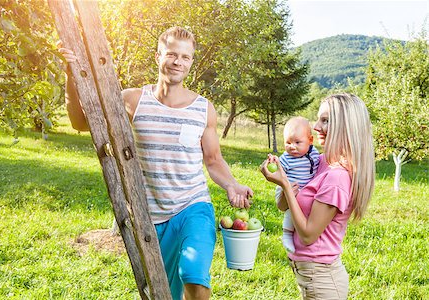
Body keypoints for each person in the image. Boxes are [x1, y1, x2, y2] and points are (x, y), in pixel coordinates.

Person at [60, 26, 253, 300]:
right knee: (165, 294)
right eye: (172, 54)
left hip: (193, 208)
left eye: (185, 57)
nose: (178, 62)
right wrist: (70, 75)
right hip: (150, 218)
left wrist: (232, 184)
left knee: (194, 276)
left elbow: (213, 159)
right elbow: (80, 123)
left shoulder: (203, 108)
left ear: (191, 63)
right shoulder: (132, 100)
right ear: (158, 56)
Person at [261, 94, 375, 299]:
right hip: (310, 276)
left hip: (322, 281)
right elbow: (284, 206)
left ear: (344, 125)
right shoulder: (320, 162)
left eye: (325, 120)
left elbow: (307, 235)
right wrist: (282, 176)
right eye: (318, 119)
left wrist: (285, 185)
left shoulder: (337, 177)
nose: (315, 126)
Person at [275, 117, 320, 253]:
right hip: (288, 187)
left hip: (303, 188)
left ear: (310, 140)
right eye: (288, 142)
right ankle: (287, 234)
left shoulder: (315, 154)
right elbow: (277, 169)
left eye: (297, 142)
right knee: (291, 211)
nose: (292, 146)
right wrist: (272, 164)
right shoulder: (287, 158)